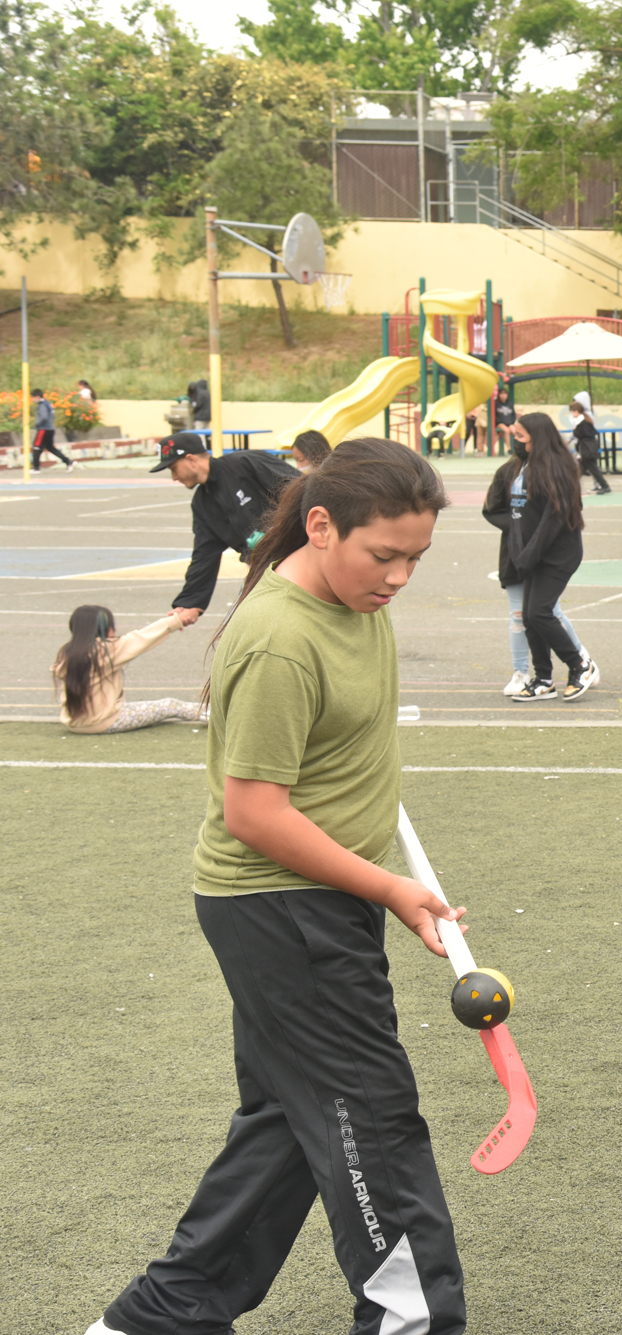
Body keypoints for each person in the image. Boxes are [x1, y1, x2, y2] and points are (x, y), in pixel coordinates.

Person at [90, 439, 469, 1335]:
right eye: (386, 555)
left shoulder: (351, 599)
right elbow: (254, 812)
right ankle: (412, 1319)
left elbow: (334, 758)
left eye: (417, 557)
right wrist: (388, 886)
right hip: (283, 906)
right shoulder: (280, 637)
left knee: (290, 1123)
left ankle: (164, 1314)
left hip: (311, 898)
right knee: (369, 1117)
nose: (401, 577)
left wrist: (377, 867)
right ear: (322, 524)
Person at [483, 416, 592, 697]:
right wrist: (521, 551)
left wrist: (530, 553)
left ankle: (580, 664)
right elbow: (516, 516)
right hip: (531, 553)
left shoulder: (558, 469)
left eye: (521, 436)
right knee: (528, 617)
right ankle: (544, 679)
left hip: (557, 554)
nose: (515, 440)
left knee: (540, 613)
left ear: (537, 438)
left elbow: (552, 520)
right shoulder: (522, 466)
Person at [154, 431, 301, 625]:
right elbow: (204, 555)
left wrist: (282, 530)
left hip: (302, 561)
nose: (174, 477)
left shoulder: (245, 463)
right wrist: (190, 603)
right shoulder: (202, 504)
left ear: (191, 460)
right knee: (249, 626)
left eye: (174, 468)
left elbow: (302, 489)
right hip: (265, 574)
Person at [51, 604, 204, 733]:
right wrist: (177, 620)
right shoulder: (104, 650)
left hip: (75, 723)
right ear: (103, 628)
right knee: (170, 705)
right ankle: (215, 714)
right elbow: (141, 638)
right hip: (103, 722)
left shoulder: (67, 652)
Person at [571, 391, 610, 495]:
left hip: (587, 448)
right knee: (580, 469)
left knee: (591, 468)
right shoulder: (585, 417)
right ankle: (573, 487)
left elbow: (579, 433)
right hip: (588, 447)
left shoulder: (582, 419)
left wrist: (575, 430)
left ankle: (604, 486)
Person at [29, 387, 73, 471]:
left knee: (36, 447)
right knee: (50, 447)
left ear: (37, 397)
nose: (32, 399)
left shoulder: (43, 405)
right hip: (50, 428)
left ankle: (36, 467)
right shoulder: (48, 404)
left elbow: (44, 417)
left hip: (44, 429)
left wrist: (37, 423)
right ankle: (68, 461)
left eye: (33, 397)